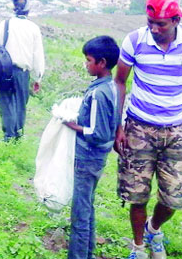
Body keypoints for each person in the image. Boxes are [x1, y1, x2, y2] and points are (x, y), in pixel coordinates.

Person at [114, 0, 182, 259]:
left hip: (175, 130)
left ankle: (153, 229)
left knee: (175, 197)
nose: (155, 29)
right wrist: (118, 125)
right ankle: (138, 247)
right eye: (151, 23)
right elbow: (120, 81)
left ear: (175, 21)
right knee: (136, 195)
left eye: (161, 24)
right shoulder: (135, 41)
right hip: (139, 128)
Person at [64, 36, 120, 259]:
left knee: (80, 212)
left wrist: (73, 125)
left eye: (88, 60)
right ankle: (88, 253)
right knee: (87, 206)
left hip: (87, 157)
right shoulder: (111, 87)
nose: (86, 64)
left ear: (102, 62)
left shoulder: (97, 93)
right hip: (98, 158)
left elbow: (98, 133)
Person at [0, 0, 45, 141]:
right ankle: (17, 135)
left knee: (6, 102)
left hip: (5, 70)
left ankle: (8, 136)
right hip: (23, 72)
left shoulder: (5, 24)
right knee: (20, 104)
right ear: (28, 10)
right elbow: (37, 55)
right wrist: (37, 78)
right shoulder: (33, 28)